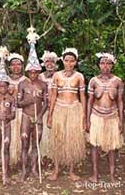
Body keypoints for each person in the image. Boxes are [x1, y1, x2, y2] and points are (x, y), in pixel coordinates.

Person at [47, 48, 86, 181]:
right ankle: (56, 169)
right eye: (66, 60)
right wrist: (50, 115)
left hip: (74, 109)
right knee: (58, 138)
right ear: (62, 61)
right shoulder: (56, 75)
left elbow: (82, 97)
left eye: (72, 61)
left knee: (72, 139)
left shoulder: (79, 76)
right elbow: (53, 96)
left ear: (75, 62)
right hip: (59, 108)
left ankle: (71, 170)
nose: (69, 63)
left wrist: (84, 116)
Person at [86, 52, 124, 183]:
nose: (105, 66)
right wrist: (87, 121)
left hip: (112, 117)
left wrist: (121, 121)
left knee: (112, 147)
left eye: (108, 63)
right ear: (98, 65)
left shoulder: (118, 81)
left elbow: (120, 101)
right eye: (102, 63)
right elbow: (89, 101)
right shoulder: (93, 81)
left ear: (112, 65)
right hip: (96, 117)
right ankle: (95, 175)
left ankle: (112, 175)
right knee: (94, 146)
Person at [18, 28, 48, 182]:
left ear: (38, 70)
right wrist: (27, 102)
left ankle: (34, 169)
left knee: (35, 144)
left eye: (36, 71)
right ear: (28, 71)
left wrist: (40, 116)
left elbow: (46, 102)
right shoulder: (22, 84)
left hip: (37, 118)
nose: (34, 74)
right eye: (31, 71)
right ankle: (24, 171)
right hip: (25, 117)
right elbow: (18, 103)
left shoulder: (43, 85)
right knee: (24, 144)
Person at [7, 53, 28, 166]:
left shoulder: (27, 80)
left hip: (21, 113)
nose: (16, 67)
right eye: (13, 64)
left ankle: (21, 160)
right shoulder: (4, 79)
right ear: (9, 66)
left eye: (18, 64)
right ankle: (10, 160)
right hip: (8, 113)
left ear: (22, 66)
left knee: (21, 137)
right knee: (9, 137)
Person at [39, 50, 58, 159]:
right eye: (47, 62)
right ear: (44, 63)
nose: (49, 64)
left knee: (55, 133)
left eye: (52, 62)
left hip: (58, 108)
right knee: (44, 133)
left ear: (56, 63)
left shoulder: (59, 76)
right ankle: (44, 156)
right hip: (43, 108)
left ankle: (54, 157)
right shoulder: (40, 77)